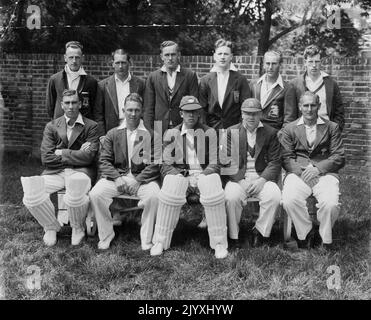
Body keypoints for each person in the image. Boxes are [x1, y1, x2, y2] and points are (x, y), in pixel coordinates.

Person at [150, 96, 229, 259]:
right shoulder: (172, 133)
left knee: (213, 182)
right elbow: (165, 163)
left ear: (199, 113)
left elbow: (216, 161)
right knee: (171, 183)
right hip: (182, 179)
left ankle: (219, 243)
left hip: (203, 178)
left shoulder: (209, 132)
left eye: (194, 112)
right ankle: (160, 240)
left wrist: (202, 177)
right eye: (187, 112)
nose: (191, 115)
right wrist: (180, 177)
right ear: (181, 113)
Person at [21, 89, 99, 246]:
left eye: (74, 102)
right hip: (55, 172)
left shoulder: (91, 126)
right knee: (31, 191)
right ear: (62, 105)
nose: (71, 106)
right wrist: (77, 155)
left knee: (76, 187)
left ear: (80, 104)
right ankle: (51, 226)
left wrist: (62, 152)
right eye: (67, 103)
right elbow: (46, 158)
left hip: (81, 171)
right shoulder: (51, 126)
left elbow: (89, 157)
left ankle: (77, 228)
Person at [89, 93, 160, 250]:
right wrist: (116, 178)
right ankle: (106, 235)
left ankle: (146, 238)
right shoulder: (113, 133)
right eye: (129, 110)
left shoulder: (151, 135)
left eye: (136, 110)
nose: (133, 114)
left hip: (141, 180)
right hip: (117, 178)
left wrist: (138, 179)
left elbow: (156, 164)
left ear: (142, 111)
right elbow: (104, 161)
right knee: (96, 194)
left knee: (154, 196)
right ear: (123, 111)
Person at [280, 91, 345, 249]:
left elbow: (339, 156)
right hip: (298, 173)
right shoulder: (290, 128)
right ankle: (306, 232)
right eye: (306, 105)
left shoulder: (332, 127)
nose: (309, 109)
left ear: (319, 106)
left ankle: (324, 237)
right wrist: (303, 172)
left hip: (324, 173)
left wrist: (318, 169)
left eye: (313, 105)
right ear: (300, 107)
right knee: (289, 200)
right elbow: (286, 158)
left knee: (330, 204)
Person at [223, 98, 282, 248]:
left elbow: (275, 162)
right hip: (238, 178)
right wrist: (240, 180)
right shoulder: (232, 132)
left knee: (274, 196)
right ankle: (234, 235)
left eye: (255, 114)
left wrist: (262, 180)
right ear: (242, 114)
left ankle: (261, 232)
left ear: (261, 114)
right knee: (231, 197)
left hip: (262, 177)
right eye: (247, 113)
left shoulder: (270, 132)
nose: (251, 117)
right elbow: (227, 161)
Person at [284, 45, 345, 131]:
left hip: (326, 131)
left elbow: (339, 112)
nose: (314, 65)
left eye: (317, 61)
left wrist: (335, 130)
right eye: (310, 61)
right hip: (302, 133)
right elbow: (289, 115)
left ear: (321, 62)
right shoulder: (294, 84)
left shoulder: (331, 84)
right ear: (305, 62)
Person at [143, 40, 198, 133]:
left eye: (173, 54)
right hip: (159, 127)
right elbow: (148, 108)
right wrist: (149, 130)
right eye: (167, 55)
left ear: (179, 55)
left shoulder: (190, 75)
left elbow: (194, 106)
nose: (170, 58)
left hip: (182, 126)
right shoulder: (153, 77)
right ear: (161, 57)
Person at [199, 38, 251, 130]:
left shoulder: (240, 79)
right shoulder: (205, 80)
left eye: (226, 54)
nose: (222, 57)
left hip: (234, 129)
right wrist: (206, 129)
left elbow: (245, 106)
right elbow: (202, 109)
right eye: (220, 54)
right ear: (214, 56)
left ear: (231, 56)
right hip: (211, 129)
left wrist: (240, 128)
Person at [94, 49, 145, 138]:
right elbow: (99, 114)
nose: (120, 66)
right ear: (112, 63)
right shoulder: (103, 85)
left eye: (123, 62)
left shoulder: (140, 84)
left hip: (135, 130)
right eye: (117, 63)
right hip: (111, 131)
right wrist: (102, 136)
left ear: (129, 63)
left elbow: (145, 110)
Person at [46, 41, 98, 120]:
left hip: (83, 128)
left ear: (82, 58)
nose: (74, 61)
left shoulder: (91, 82)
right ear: (65, 58)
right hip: (60, 127)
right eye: (71, 57)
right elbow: (50, 107)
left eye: (77, 57)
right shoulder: (54, 79)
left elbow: (94, 108)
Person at [249, 50, 294, 130]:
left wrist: (281, 137)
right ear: (263, 65)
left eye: (274, 64)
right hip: (254, 132)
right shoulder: (253, 84)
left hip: (274, 135)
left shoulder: (287, 88)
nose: (270, 67)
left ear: (280, 65)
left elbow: (289, 119)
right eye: (267, 63)